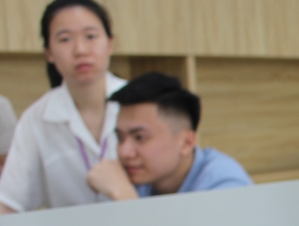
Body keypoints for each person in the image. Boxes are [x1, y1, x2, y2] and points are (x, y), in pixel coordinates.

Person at [0, 0, 126, 213]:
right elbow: (9, 202)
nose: (80, 50)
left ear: (110, 44)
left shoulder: (142, 103)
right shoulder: (36, 119)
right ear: (49, 53)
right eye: (65, 39)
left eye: (90, 36)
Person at [85, 72, 251, 199]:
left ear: (186, 143)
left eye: (140, 137)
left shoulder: (226, 187)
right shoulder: (140, 178)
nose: (124, 152)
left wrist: (123, 195)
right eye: (120, 138)